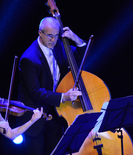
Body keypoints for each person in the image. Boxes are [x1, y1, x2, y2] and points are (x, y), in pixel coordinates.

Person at [17, 17, 87, 155]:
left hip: (54, 114)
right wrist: (63, 96)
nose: (53, 40)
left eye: (56, 36)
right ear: (40, 33)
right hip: (34, 117)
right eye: (50, 36)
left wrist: (75, 38)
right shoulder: (29, 59)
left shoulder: (59, 45)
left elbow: (80, 56)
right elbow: (35, 92)